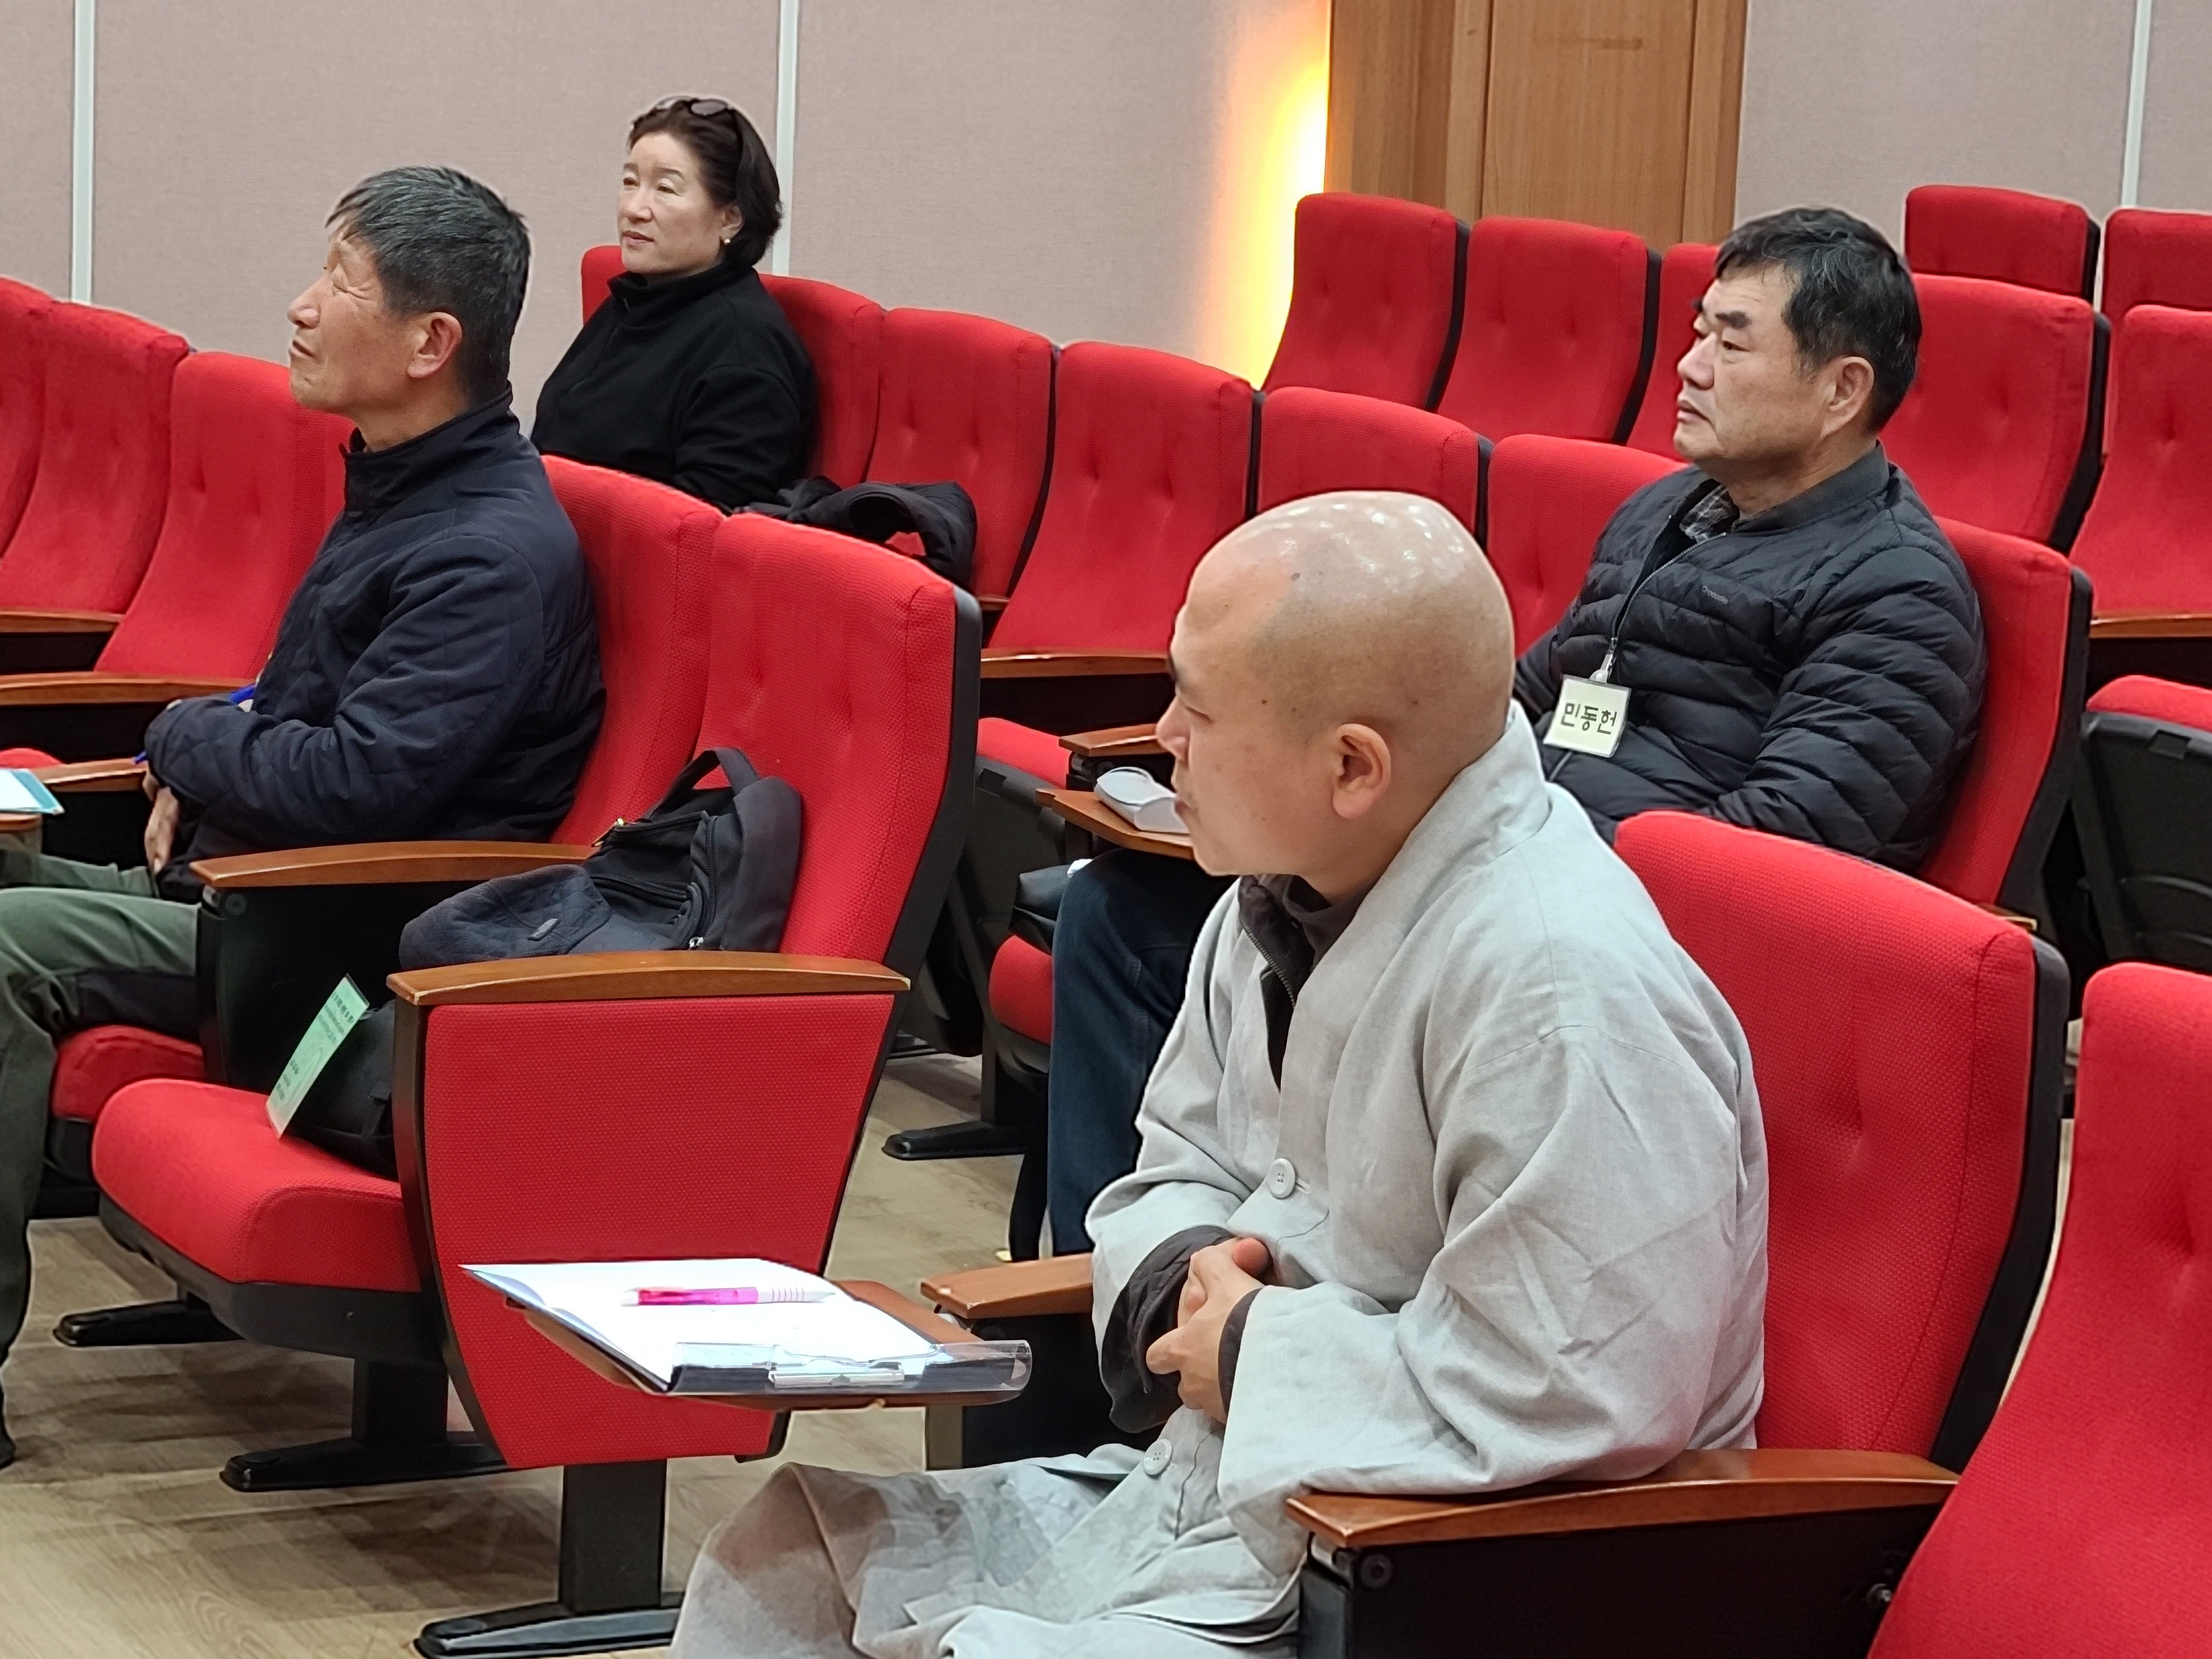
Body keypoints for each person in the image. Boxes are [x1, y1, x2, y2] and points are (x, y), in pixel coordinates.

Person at [671, 492, 1768, 1658]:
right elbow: (1177, 1163)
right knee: (785, 1561)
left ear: (1352, 765)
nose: (1163, 737)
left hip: (1424, 1578)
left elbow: (1579, 1394)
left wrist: (1250, 1351)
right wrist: (1184, 1285)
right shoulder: (1290, 886)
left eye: (1194, 709)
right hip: (1220, 1499)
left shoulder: (1561, 986)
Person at [1044, 203, 1984, 1253]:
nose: (1689, 367)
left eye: (1731, 342)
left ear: (1842, 390)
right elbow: (1508, 706)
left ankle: (1264, 1274)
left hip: (1605, 945)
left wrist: (1500, 860)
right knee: (1118, 909)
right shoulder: (1666, 514)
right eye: (1696, 332)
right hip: (1488, 868)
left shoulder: (1899, 593)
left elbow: (1778, 853)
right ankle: (1133, 1277)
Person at [0, 166, 603, 1470]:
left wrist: (181, 742)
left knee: (1, 950)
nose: (301, 305)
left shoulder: (483, 553)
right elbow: (293, 701)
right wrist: (210, 748)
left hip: (329, 958)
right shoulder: (401, 488)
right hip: (240, 890)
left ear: (430, 343)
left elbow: (355, 785)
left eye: (339, 282)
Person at [533, 96, 816, 510]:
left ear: (730, 219)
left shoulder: (744, 350)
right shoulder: (640, 296)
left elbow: (699, 526)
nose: (634, 209)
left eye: (665, 189)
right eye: (630, 182)